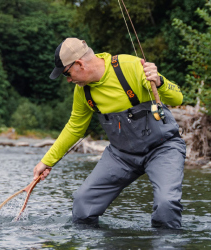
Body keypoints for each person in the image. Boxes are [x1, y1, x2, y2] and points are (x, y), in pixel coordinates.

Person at [33, 38, 186, 229]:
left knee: (166, 205)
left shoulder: (130, 66)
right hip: (121, 156)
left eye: (67, 73)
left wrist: (161, 82)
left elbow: (178, 97)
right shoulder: (83, 91)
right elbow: (74, 127)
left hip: (163, 148)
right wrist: (47, 161)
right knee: (82, 204)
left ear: (79, 64)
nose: (69, 80)